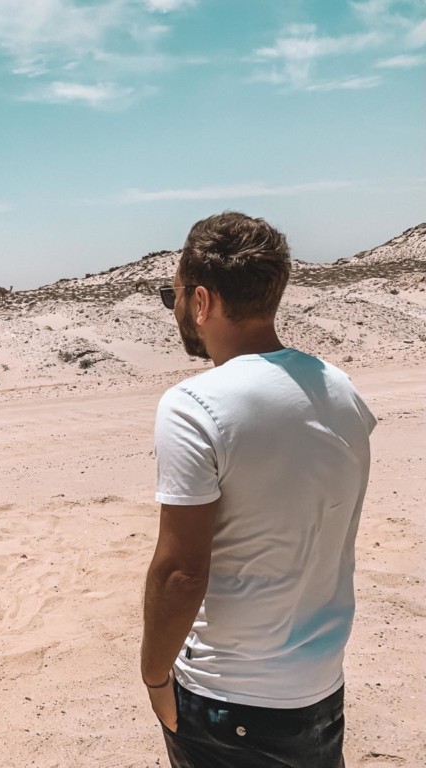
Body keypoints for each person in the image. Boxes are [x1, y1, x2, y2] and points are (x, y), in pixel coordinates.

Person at [140, 212, 376, 767]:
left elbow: (180, 573)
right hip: (318, 687)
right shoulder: (341, 390)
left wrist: (154, 677)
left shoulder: (193, 406)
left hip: (230, 699)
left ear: (200, 301)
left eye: (172, 295)